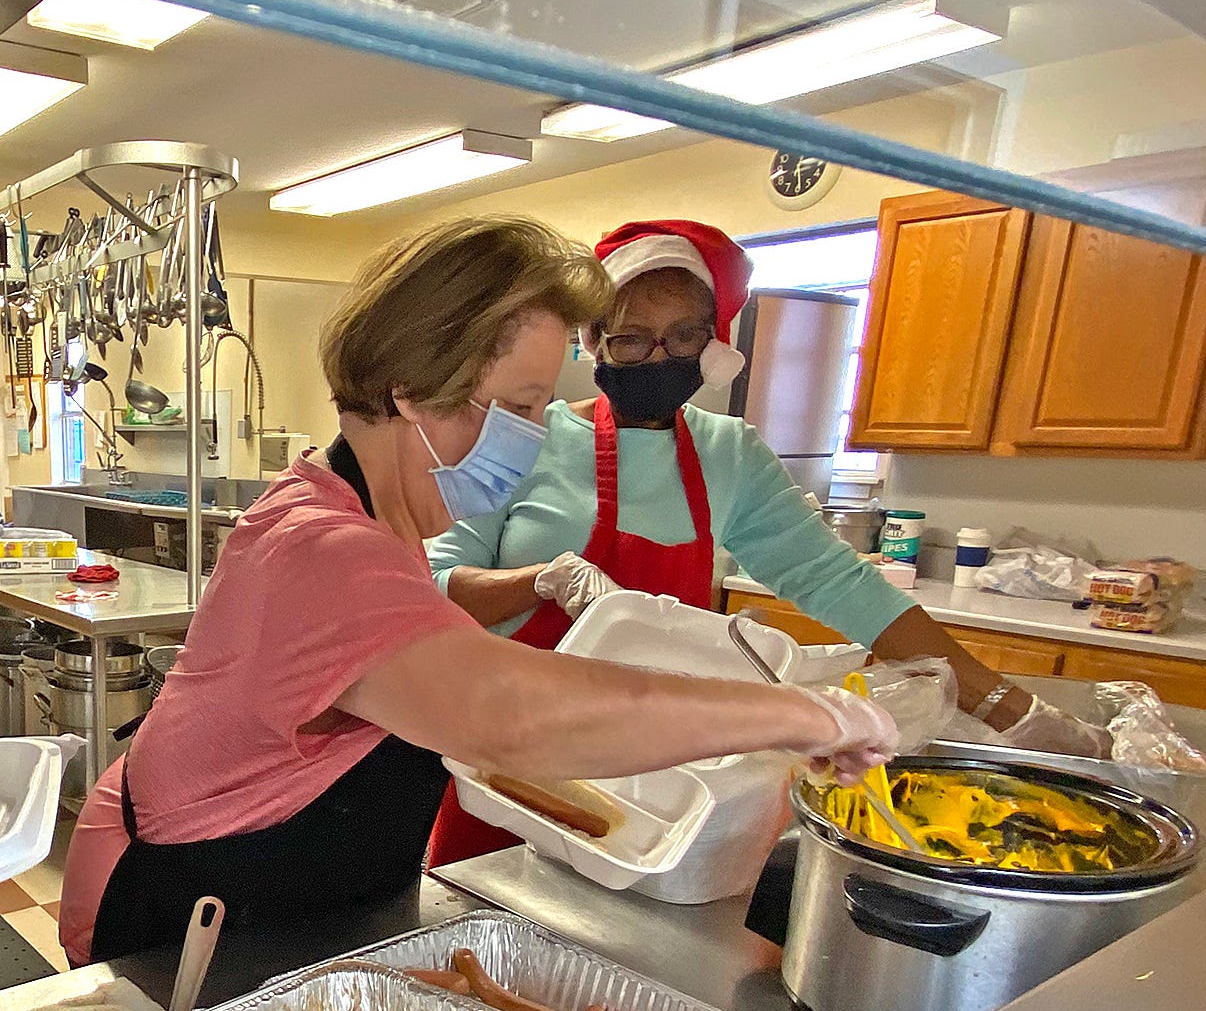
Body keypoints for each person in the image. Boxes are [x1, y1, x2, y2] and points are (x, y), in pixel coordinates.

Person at [57, 216, 899, 966]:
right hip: (181, 912)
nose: (535, 437)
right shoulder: (325, 549)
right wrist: (804, 714)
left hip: (272, 895)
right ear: (414, 389)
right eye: (523, 406)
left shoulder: (357, 508)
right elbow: (514, 716)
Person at [422, 219, 1110, 866]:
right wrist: (543, 579)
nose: (657, 358)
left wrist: (1012, 712)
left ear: (715, 343)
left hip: (658, 782)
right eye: (631, 338)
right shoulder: (521, 438)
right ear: (593, 340)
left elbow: (846, 586)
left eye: (683, 335)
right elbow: (435, 589)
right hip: (511, 767)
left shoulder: (730, 454)